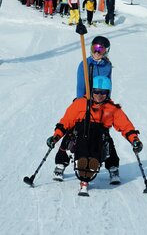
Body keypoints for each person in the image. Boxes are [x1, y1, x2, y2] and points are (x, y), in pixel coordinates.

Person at [46, 76, 143, 195]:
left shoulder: (111, 109)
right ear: (91, 91)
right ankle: (62, 163)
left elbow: (125, 126)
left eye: (103, 92)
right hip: (80, 134)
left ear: (108, 93)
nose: (99, 95)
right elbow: (66, 122)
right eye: (96, 91)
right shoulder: (80, 103)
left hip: (99, 136)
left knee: (107, 142)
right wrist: (56, 136)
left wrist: (134, 140)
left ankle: (111, 167)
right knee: (68, 137)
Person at [53, 36, 123, 185]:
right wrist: (82, 103)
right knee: (72, 132)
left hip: (101, 102)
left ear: (106, 51)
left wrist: (105, 104)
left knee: (104, 136)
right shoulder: (84, 64)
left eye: (101, 49)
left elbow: (108, 84)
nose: (97, 52)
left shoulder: (107, 66)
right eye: (95, 48)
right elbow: (80, 86)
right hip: (84, 101)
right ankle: (61, 163)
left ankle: (113, 167)